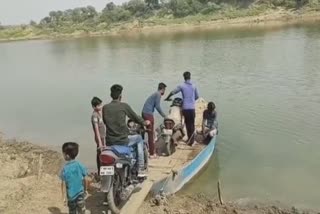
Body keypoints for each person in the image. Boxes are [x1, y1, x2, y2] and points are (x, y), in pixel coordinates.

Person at [102, 84, 150, 177]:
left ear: (111, 95)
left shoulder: (105, 107)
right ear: (120, 96)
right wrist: (145, 123)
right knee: (139, 138)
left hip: (109, 142)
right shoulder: (124, 106)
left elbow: (105, 122)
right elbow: (135, 117)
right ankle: (140, 168)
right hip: (122, 140)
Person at [165, 71, 199, 146]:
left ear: (184, 77)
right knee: (192, 124)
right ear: (190, 77)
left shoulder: (182, 86)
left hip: (185, 108)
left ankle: (189, 139)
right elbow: (197, 96)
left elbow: (173, 92)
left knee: (187, 124)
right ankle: (192, 141)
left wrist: (167, 98)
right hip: (191, 108)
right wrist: (192, 100)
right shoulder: (194, 86)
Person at [60, 142, 89, 214]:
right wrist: (85, 190)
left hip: (70, 197)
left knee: (72, 211)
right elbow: (86, 178)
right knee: (81, 211)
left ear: (67, 155)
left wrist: (63, 197)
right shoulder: (79, 165)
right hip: (80, 194)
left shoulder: (65, 169)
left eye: (63, 153)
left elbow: (63, 184)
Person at [141, 82, 167, 158]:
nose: (164, 92)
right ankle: (152, 154)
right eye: (164, 90)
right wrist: (164, 115)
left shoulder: (155, 94)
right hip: (148, 114)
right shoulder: (158, 94)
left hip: (145, 112)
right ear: (162, 89)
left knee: (150, 132)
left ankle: (148, 149)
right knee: (151, 134)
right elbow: (157, 106)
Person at [90, 96, 106, 175]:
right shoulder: (94, 116)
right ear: (94, 107)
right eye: (98, 105)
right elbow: (96, 129)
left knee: (102, 153)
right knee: (100, 154)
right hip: (100, 137)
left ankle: (102, 171)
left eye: (100, 104)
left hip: (103, 137)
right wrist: (99, 142)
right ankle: (100, 172)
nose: (100, 106)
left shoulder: (99, 114)